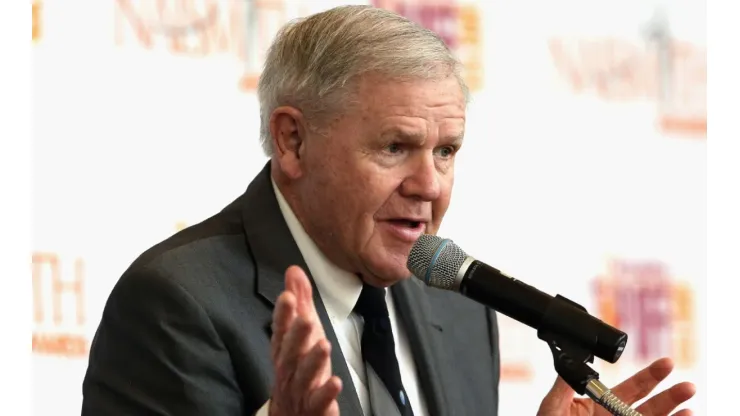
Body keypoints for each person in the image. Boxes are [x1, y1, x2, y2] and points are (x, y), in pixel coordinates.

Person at [81, 5, 696, 416]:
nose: (428, 184)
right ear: (293, 141)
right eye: (395, 147)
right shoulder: (177, 303)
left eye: (447, 151)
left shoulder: (454, 308)